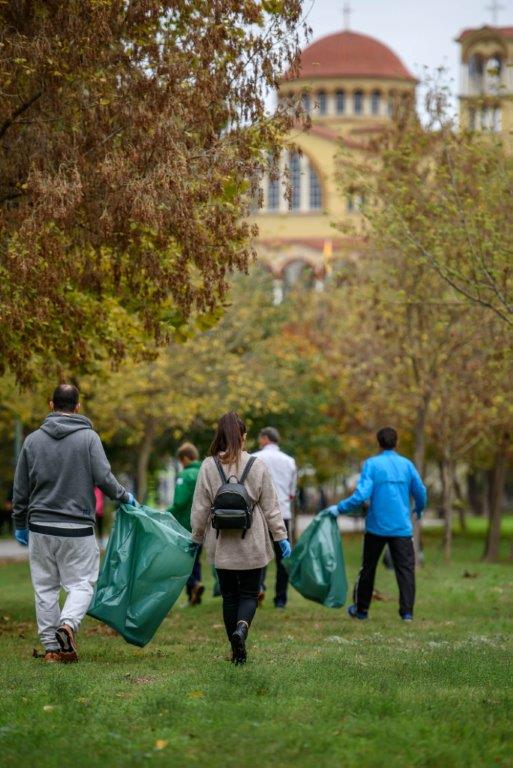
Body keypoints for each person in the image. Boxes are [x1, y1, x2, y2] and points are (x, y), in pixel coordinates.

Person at [12, 384, 136, 663]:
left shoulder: (32, 441)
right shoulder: (89, 439)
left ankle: (52, 649)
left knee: (45, 588)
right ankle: (67, 625)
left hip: (41, 526)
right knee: (81, 584)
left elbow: (20, 490)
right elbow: (104, 478)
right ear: (78, 406)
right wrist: (123, 496)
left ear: (50, 403)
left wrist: (20, 523)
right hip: (78, 526)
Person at [191, 412, 291, 664]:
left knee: (229, 596)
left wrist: (196, 538)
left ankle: (236, 651)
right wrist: (281, 536)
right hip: (252, 541)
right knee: (249, 593)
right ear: (243, 437)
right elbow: (271, 506)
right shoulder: (256, 465)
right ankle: (241, 630)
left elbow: (200, 508)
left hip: (221, 542)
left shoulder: (208, 466)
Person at [327, 427, 427, 622]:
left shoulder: (372, 464)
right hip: (401, 528)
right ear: (396, 443)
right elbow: (420, 491)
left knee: (368, 568)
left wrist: (339, 508)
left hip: (376, 527)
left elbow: (361, 495)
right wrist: (420, 509)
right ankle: (407, 613)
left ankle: (361, 610)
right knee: (405, 570)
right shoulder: (407, 464)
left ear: (378, 443)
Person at [253, 427, 297, 608]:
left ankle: (258, 587)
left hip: (261, 514)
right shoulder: (290, 461)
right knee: (282, 559)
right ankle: (280, 599)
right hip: (283, 514)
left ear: (265, 438)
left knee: (259, 555)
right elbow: (292, 493)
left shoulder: (255, 458)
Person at [167, 442, 204, 605]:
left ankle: (194, 585)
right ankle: (194, 596)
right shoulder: (205, 472)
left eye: (181, 461)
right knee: (196, 559)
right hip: (204, 523)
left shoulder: (185, 475)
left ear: (185, 458)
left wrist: (166, 513)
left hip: (186, 525)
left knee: (185, 560)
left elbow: (180, 502)